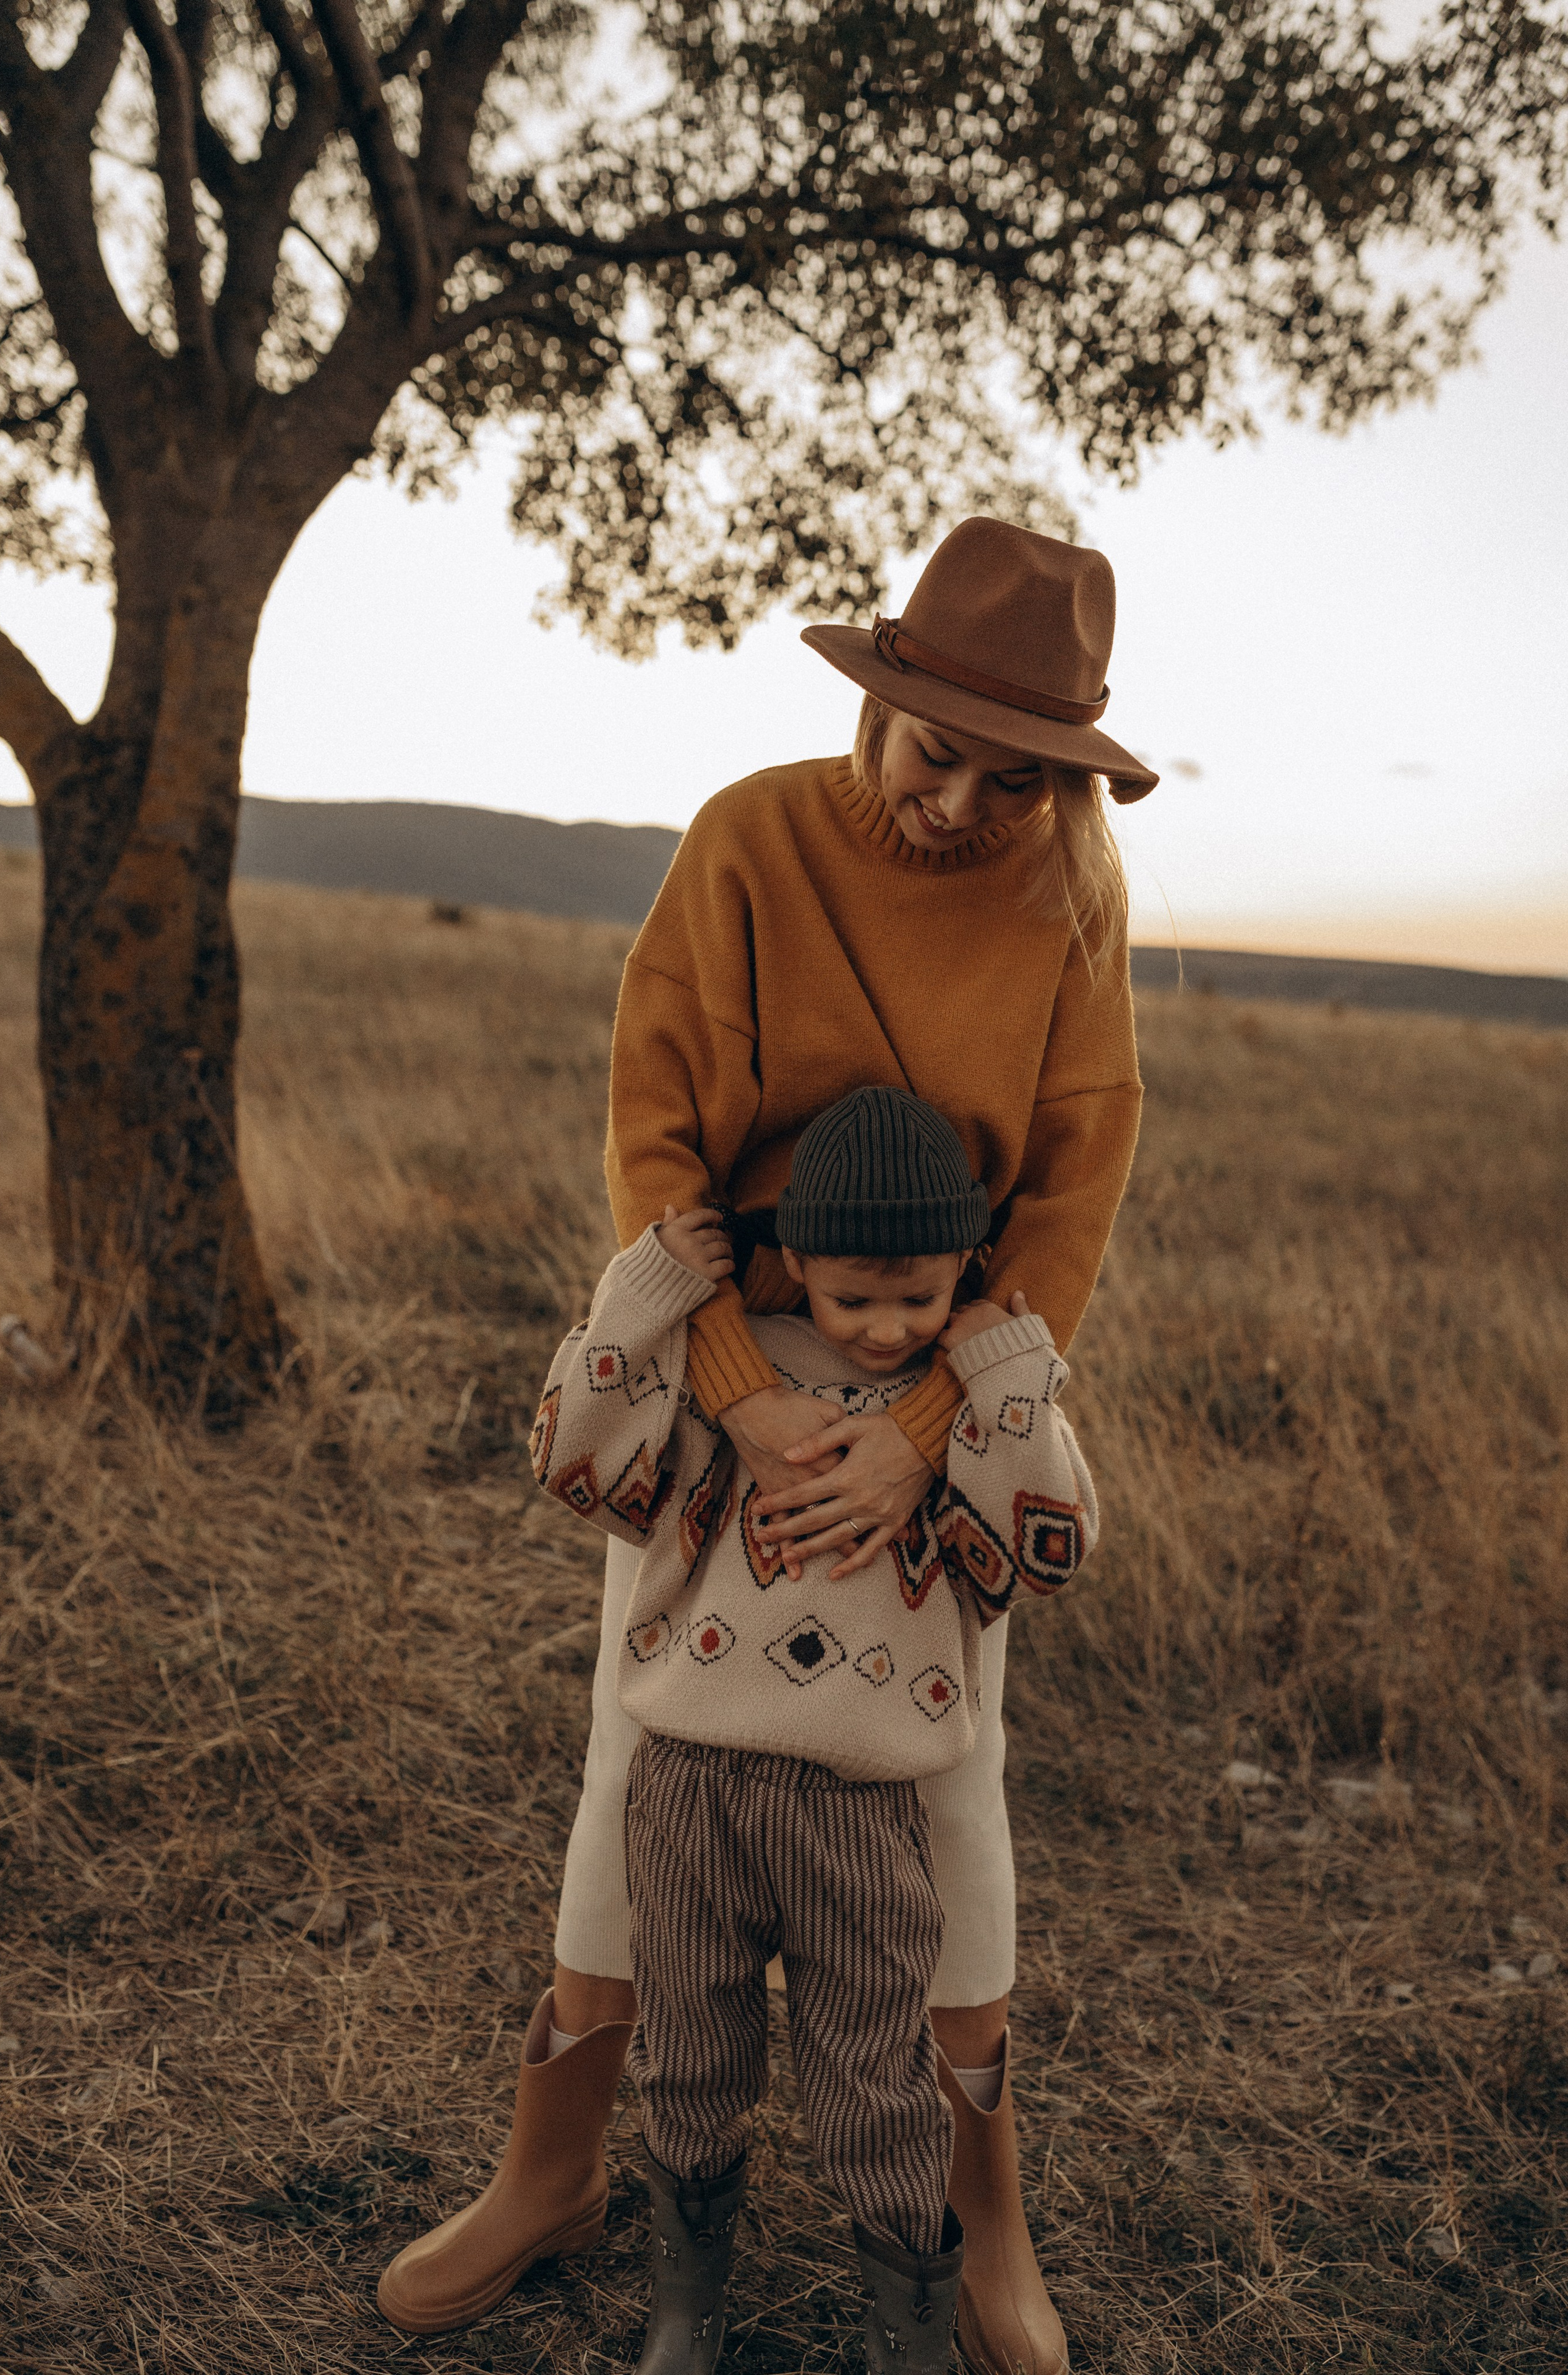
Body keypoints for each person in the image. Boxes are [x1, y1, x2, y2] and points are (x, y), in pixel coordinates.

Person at [377, 518, 1157, 2366]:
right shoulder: (752, 837)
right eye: (930, 747)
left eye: (1013, 770)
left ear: (1066, 770)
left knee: (946, 1797)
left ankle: (983, 2232)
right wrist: (733, 1385)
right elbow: (657, 1136)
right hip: (715, 1362)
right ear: (877, 698)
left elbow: (1069, 1193)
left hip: (945, 1377)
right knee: (632, 1763)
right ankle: (554, 2168)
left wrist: (927, 1422)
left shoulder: (1072, 908)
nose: (959, 797)